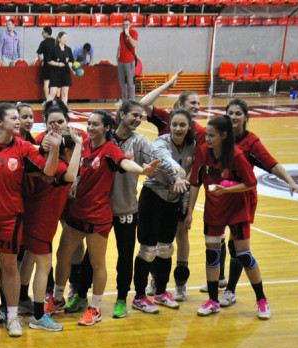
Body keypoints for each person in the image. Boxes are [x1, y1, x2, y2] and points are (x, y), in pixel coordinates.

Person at [49, 110, 160, 327]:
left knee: (97, 262)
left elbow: (124, 163)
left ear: (107, 128)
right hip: (76, 212)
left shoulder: (110, 149)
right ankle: (58, 299)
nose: (90, 127)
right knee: (62, 255)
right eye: (89, 123)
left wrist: (142, 170)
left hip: (98, 215)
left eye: (96, 124)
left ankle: (95, 308)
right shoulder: (82, 144)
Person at [0, 103, 61, 337]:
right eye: (13, 117)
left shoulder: (24, 146)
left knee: (10, 265)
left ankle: (11, 316)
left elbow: (48, 172)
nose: (18, 121)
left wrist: (54, 149)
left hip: (10, 218)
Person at [218, 98, 298, 308]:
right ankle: (218, 281)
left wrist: (290, 181)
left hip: (242, 199)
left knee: (237, 246)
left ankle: (231, 291)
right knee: (219, 241)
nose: (233, 117)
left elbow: (271, 164)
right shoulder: (221, 137)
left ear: (246, 117)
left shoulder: (251, 142)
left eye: (238, 113)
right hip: (223, 197)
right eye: (230, 113)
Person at [185, 115, 271, 320]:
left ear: (224, 135)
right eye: (206, 135)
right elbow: (195, 183)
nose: (207, 139)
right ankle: (213, 301)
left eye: (212, 135)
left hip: (236, 210)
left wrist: (227, 190)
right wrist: (189, 212)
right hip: (214, 210)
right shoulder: (202, 151)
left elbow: (251, 183)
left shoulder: (236, 155)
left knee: (244, 255)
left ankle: (262, 300)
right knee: (212, 255)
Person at [139, 69, 204, 301]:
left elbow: (197, 169)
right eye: (192, 103)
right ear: (179, 106)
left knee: (181, 235)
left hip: (180, 193)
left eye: (199, 104)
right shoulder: (168, 121)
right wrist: (168, 85)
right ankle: (156, 280)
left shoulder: (200, 134)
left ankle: (180, 283)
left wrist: (188, 202)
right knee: (156, 239)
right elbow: (142, 104)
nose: (197, 107)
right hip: (159, 189)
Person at [131, 109, 193, 315]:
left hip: (172, 201)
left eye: (182, 125)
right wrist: (177, 172)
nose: (177, 128)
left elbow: (191, 176)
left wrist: (185, 197)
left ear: (189, 127)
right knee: (147, 249)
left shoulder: (192, 146)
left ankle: (160, 292)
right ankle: (140, 296)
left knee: (166, 248)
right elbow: (164, 158)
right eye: (174, 124)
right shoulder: (161, 142)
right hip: (152, 197)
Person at [21, 125, 83, 332]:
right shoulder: (60, 167)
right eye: (75, 151)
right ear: (67, 151)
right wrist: (79, 144)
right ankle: (38, 317)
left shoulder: (47, 161)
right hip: (41, 222)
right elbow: (71, 175)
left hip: (34, 219)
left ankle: (22, 298)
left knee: (29, 258)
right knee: (44, 266)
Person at [46, 32, 74, 105]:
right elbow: (49, 61)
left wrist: (73, 71)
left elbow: (70, 62)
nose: (65, 39)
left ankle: (64, 109)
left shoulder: (68, 49)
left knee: (65, 93)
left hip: (65, 73)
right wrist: (58, 64)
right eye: (64, 37)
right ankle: (47, 109)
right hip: (55, 73)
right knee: (53, 93)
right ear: (59, 39)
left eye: (66, 37)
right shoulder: (53, 49)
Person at [116, 18, 138, 103]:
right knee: (122, 82)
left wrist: (128, 34)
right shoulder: (121, 34)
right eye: (124, 25)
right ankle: (124, 100)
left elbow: (134, 44)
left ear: (130, 25)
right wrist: (117, 55)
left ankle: (132, 100)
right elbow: (120, 45)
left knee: (130, 82)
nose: (125, 26)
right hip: (121, 61)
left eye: (127, 25)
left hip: (130, 62)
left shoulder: (134, 33)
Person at [36, 26, 55, 100]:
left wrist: (41, 62)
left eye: (43, 32)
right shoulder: (56, 42)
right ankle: (53, 99)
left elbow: (39, 54)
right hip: (55, 65)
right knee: (54, 84)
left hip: (47, 65)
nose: (42, 34)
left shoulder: (43, 43)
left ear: (47, 33)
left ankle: (47, 99)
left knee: (46, 83)